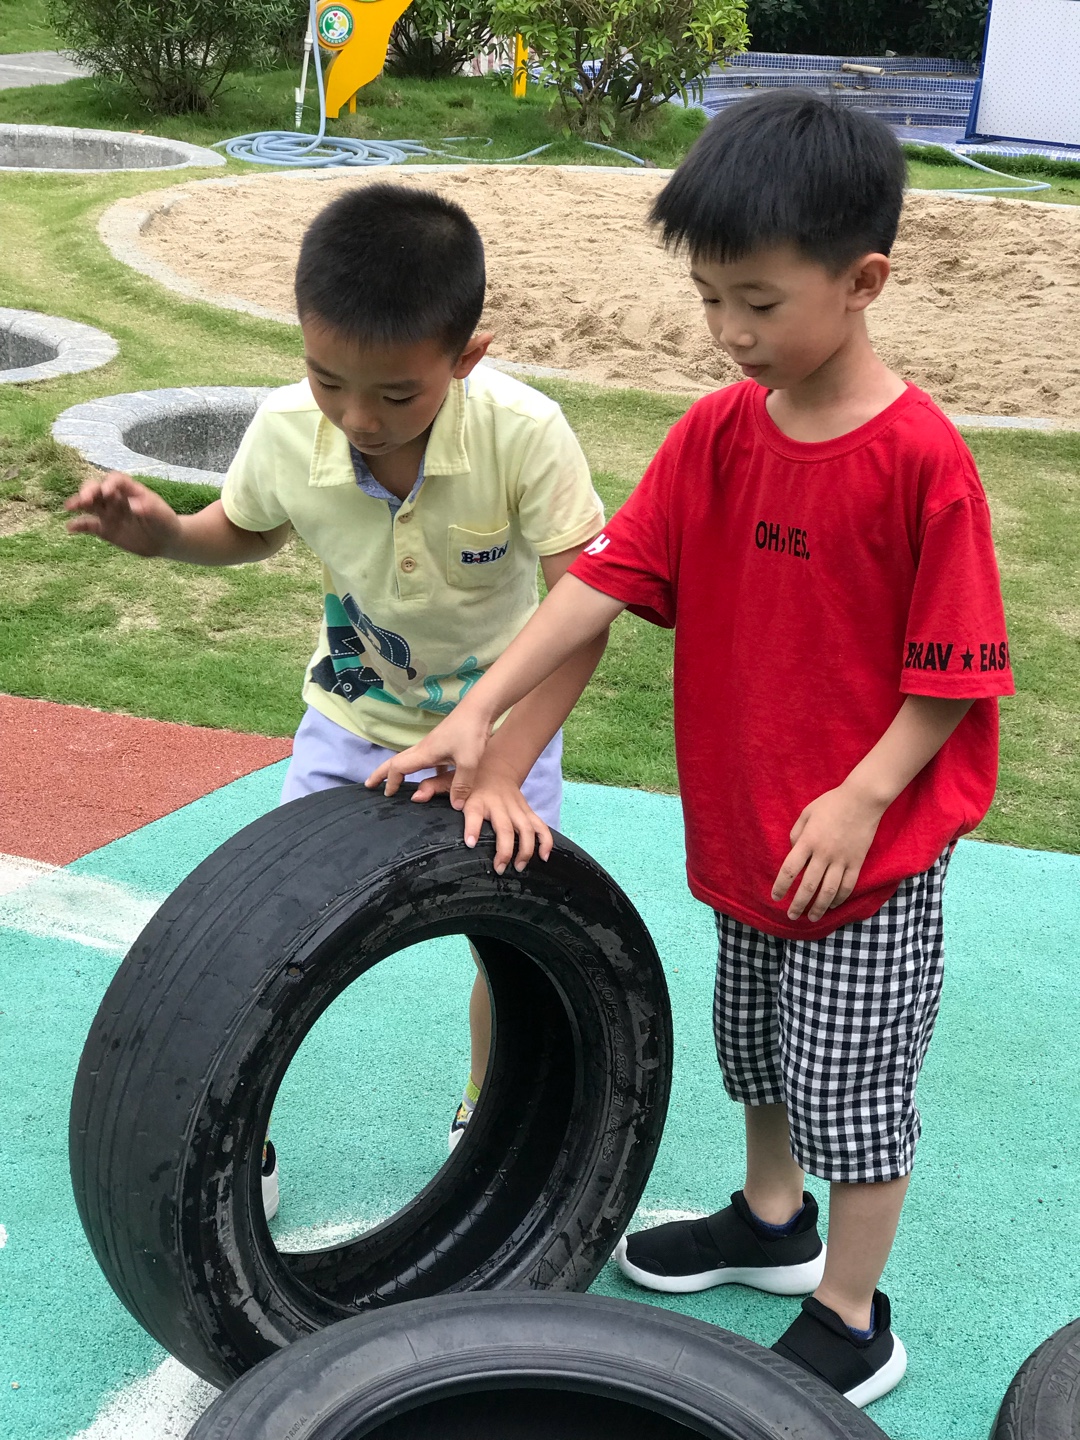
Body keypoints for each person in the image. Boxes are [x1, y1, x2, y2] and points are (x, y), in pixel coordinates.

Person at [365, 92, 1015, 1407]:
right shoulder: (718, 435)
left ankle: (852, 1315)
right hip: (746, 836)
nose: (729, 331)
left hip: (862, 859)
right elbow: (598, 586)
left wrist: (861, 798)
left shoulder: (919, 463)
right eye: (712, 298)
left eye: (759, 303)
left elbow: (953, 674)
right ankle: (772, 1222)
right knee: (757, 1048)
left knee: (852, 1089)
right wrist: (479, 711)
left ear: (864, 281)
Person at [64, 183, 606, 1212]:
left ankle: (489, 1112)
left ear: (466, 357)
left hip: (503, 733)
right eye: (328, 379)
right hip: (351, 722)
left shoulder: (525, 431)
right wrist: (168, 535)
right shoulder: (285, 428)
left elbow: (587, 606)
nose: (358, 417)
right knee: (271, 934)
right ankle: (241, 1139)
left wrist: (501, 755)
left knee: (512, 937)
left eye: (396, 394)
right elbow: (244, 528)